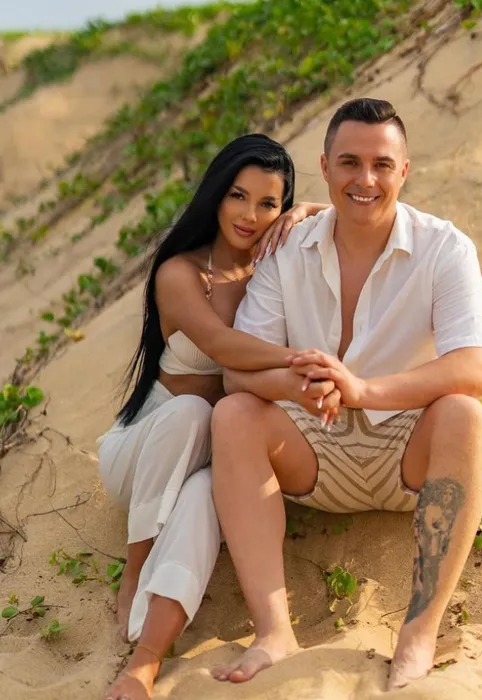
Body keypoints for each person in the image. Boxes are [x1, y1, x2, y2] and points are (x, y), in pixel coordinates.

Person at [210, 98, 482, 691]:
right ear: (325, 167)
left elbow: (472, 368)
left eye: (382, 164)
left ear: (404, 171)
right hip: (311, 449)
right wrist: (299, 384)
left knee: (465, 414)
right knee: (234, 413)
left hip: (406, 451)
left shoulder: (445, 247)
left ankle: (418, 635)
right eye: (349, 162)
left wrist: (361, 390)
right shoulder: (287, 247)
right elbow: (238, 371)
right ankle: (274, 633)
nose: (366, 179)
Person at [97, 133, 330, 700]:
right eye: (238, 196)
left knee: (206, 494)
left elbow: (350, 213)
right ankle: (136, 569)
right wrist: (301, 361)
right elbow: (223, 348)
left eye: (268, 203)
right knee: (192, 413)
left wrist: (306, 210)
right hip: (146, 448)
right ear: (216, 195)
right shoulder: (180, 273)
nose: (250, 215)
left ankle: (146, 659)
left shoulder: (273, 268)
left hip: (215, 447)